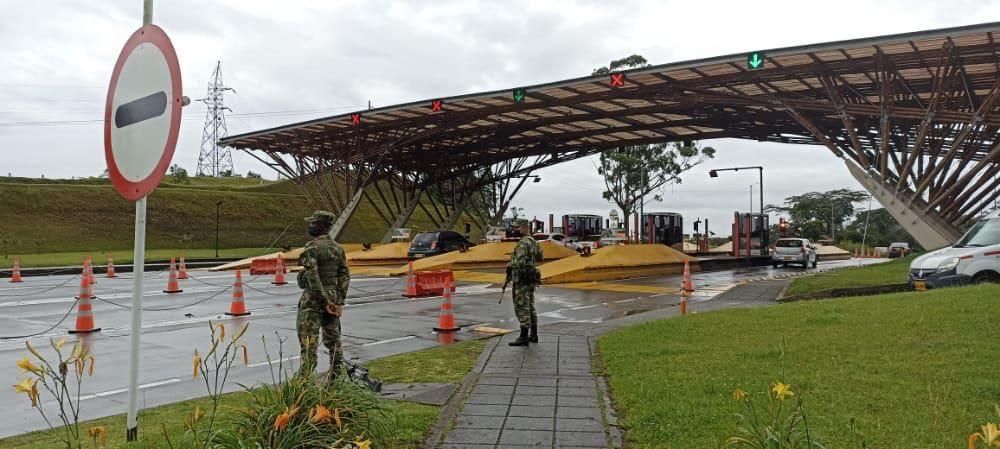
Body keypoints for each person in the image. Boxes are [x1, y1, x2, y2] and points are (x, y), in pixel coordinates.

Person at [296, 211, 350, 382]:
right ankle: (337, 378)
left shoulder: (311, 247)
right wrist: (338, 302)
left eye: (313, 223)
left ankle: (305, 382)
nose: (310, 226)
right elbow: (344, 275)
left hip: (313, 301)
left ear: (321, 225)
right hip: (333, 298)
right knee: (334, 341)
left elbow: (312, 276)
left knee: (309, 342)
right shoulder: (338, 248)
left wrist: (323, 300)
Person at [506, 219, 543, 346]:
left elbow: (520, 262)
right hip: (531, 277)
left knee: (522, 305)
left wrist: (511, 264)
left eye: (518, 228)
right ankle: (534, 334)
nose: (516, 230)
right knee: (530, 305)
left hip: (521, 279)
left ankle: (523, 336)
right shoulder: (534, 242)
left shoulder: (523, 243)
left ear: (524, 228)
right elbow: (540, 258)